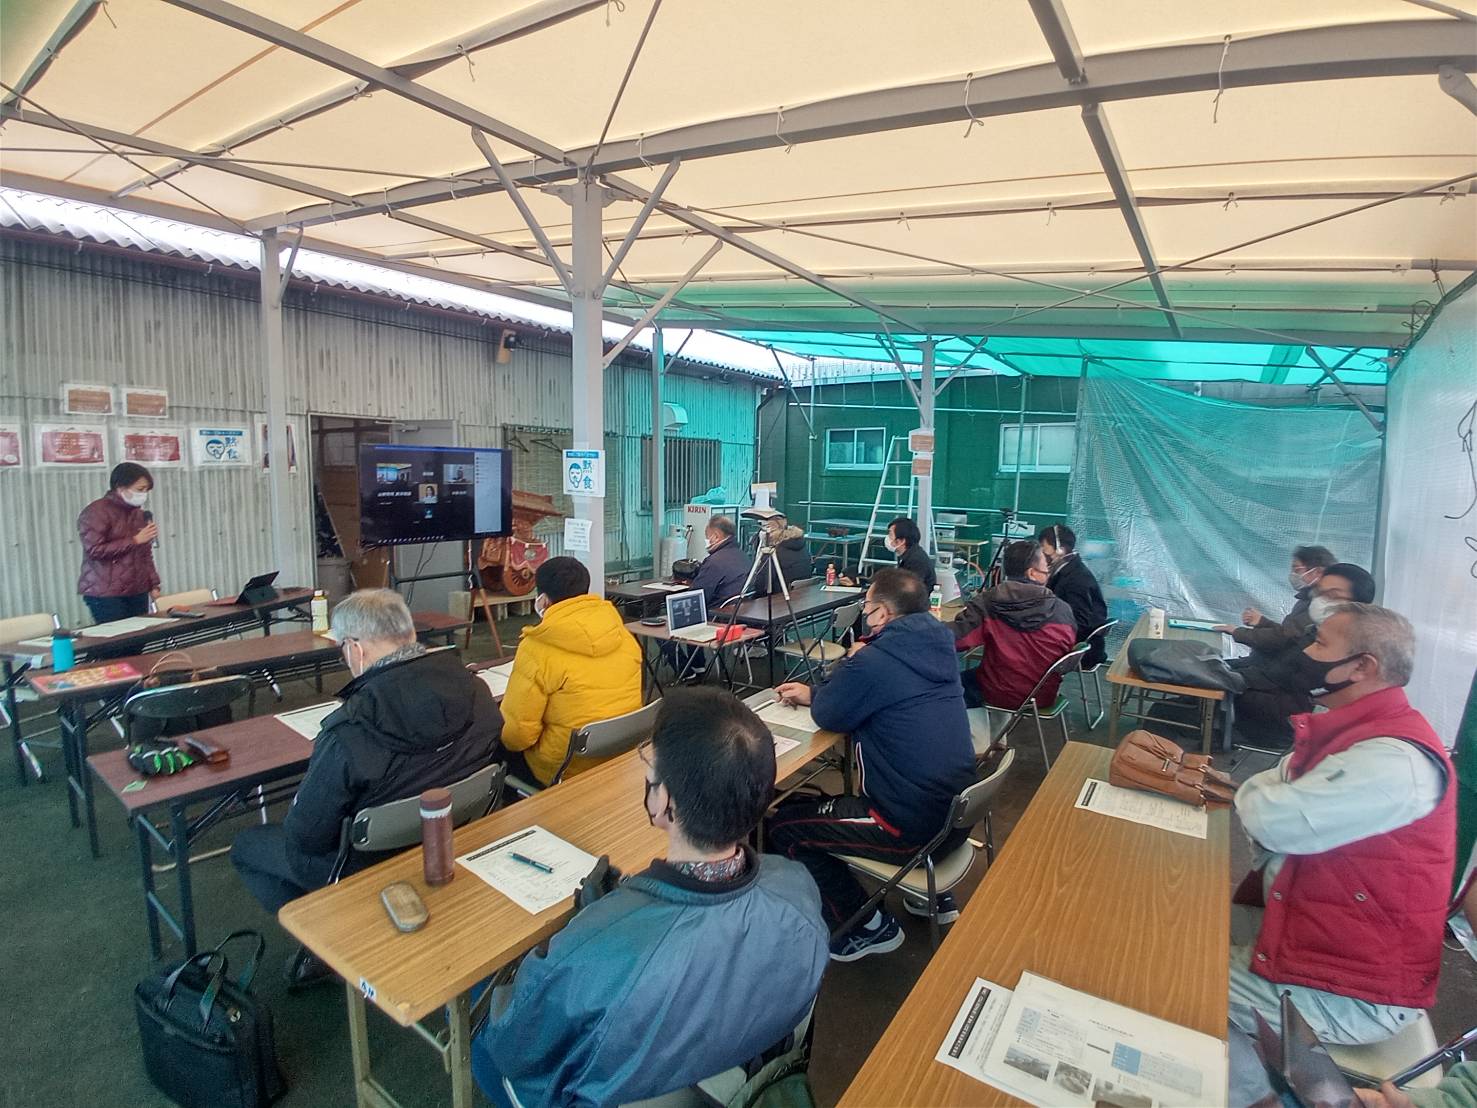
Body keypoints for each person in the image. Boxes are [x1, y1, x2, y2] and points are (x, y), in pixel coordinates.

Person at [472, 689, 829, 1107]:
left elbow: (515, 1046)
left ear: (664, 802)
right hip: (738, 1082)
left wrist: (595, 930)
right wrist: (615, 920)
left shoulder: (593, 955)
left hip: (619, 1089)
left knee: (479, 1019)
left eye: (651, 771)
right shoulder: (798, 887)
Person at [1229, 604, 1455, 1046]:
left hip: (1348, 992)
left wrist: (1259, 791)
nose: (1305, 653)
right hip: (1315, 946)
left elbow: (1271, 819)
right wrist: (1273, 790)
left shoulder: (1395, 760)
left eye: (1319, 644)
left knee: (1159, 974)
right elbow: (1278, 788)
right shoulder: (1363, 730)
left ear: (1362, 667)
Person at [230, 590, 503, 924]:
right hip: (450, 836)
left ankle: (327, 936)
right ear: (410, 634)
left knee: (247, 845)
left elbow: (306, 837)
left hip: (362, 864)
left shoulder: (347, 732)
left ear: (354, 649)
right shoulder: (477, 691)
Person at [764, 567, 976, 960]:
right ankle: (929, 895)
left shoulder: (876, 661)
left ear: (883, 613)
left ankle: (863, 927)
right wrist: (822, 689)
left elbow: (830, 713)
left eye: (867, 607)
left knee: (784, 826)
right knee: (819, 807)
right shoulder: (938, 646)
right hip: (955, 817)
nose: (865, 614)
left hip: (907, 827)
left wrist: (845, 669)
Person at [500, 556, 642, 786]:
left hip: (565, 769)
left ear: (543, 600)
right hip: (620, 754)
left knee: (500, 749)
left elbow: (517, 737)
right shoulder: (622, 634)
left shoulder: (536, 648)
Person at [1231, 562, 1377, 748]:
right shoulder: (1314, 630)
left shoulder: (1351, 645)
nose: (1321, 601)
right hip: (1288, 700)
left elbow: (1286, 675)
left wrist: (1236, 676)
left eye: (1333, 595)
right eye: (1319, 593)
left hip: (1296, 712)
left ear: (1359, 604)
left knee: (1230, 693)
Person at [951, 540, 1078, 711]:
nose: (1048, 573)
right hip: (1043, 695)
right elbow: (1068, 658)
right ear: (1032, 573)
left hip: (997, 693)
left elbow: (956, 641)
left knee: (941, 684)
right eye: (1046, 569)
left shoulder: (988, 604)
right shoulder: (1062, 610)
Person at [1214, 544, 1337, 656]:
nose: (1292, 575)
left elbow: (1282, 638)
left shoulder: (1321, 606)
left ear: (1318, 572)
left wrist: (1237, 632)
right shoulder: (1307, 600)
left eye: (1297, 570)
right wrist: (1262, 622)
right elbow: (1289, 634)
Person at [77, 462, 160, 622]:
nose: (144, 494)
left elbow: (145, 554)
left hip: (137, 589)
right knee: (118, 636)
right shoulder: (96, 512)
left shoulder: (138, 514)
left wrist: (153, 584)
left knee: (141, 634)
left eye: (146, 490)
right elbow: (94, 550)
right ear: (121, 488)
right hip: (106, 592)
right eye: (140, 489)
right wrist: (134, 540)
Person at [1037, 524, 1108, 666]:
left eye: (1044, 548)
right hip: (1076, 639)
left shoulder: (1076, 579)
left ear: (1060, 550)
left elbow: (1079, 622)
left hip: (1080, 646)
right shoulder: (1068, 570)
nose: (1041, 553)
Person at [843, 516, 936, 591]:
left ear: (901, 541)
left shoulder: (916, 560)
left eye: (890, 534)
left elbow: (905, 591)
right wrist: (858, 582)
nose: (887, 538)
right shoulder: (909, 556)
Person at [685, 515, 750, 606]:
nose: (706, 540)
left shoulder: (714, 562)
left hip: (717, 611)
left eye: (707, 537)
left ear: (716, 536)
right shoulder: (743, 556)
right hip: (740, 609)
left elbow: (696, 597)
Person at [759, 511, 811, 592]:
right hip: (801, 593)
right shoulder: (800, 544)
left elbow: (762, 584)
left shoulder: (774, 552)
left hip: (780, 595)